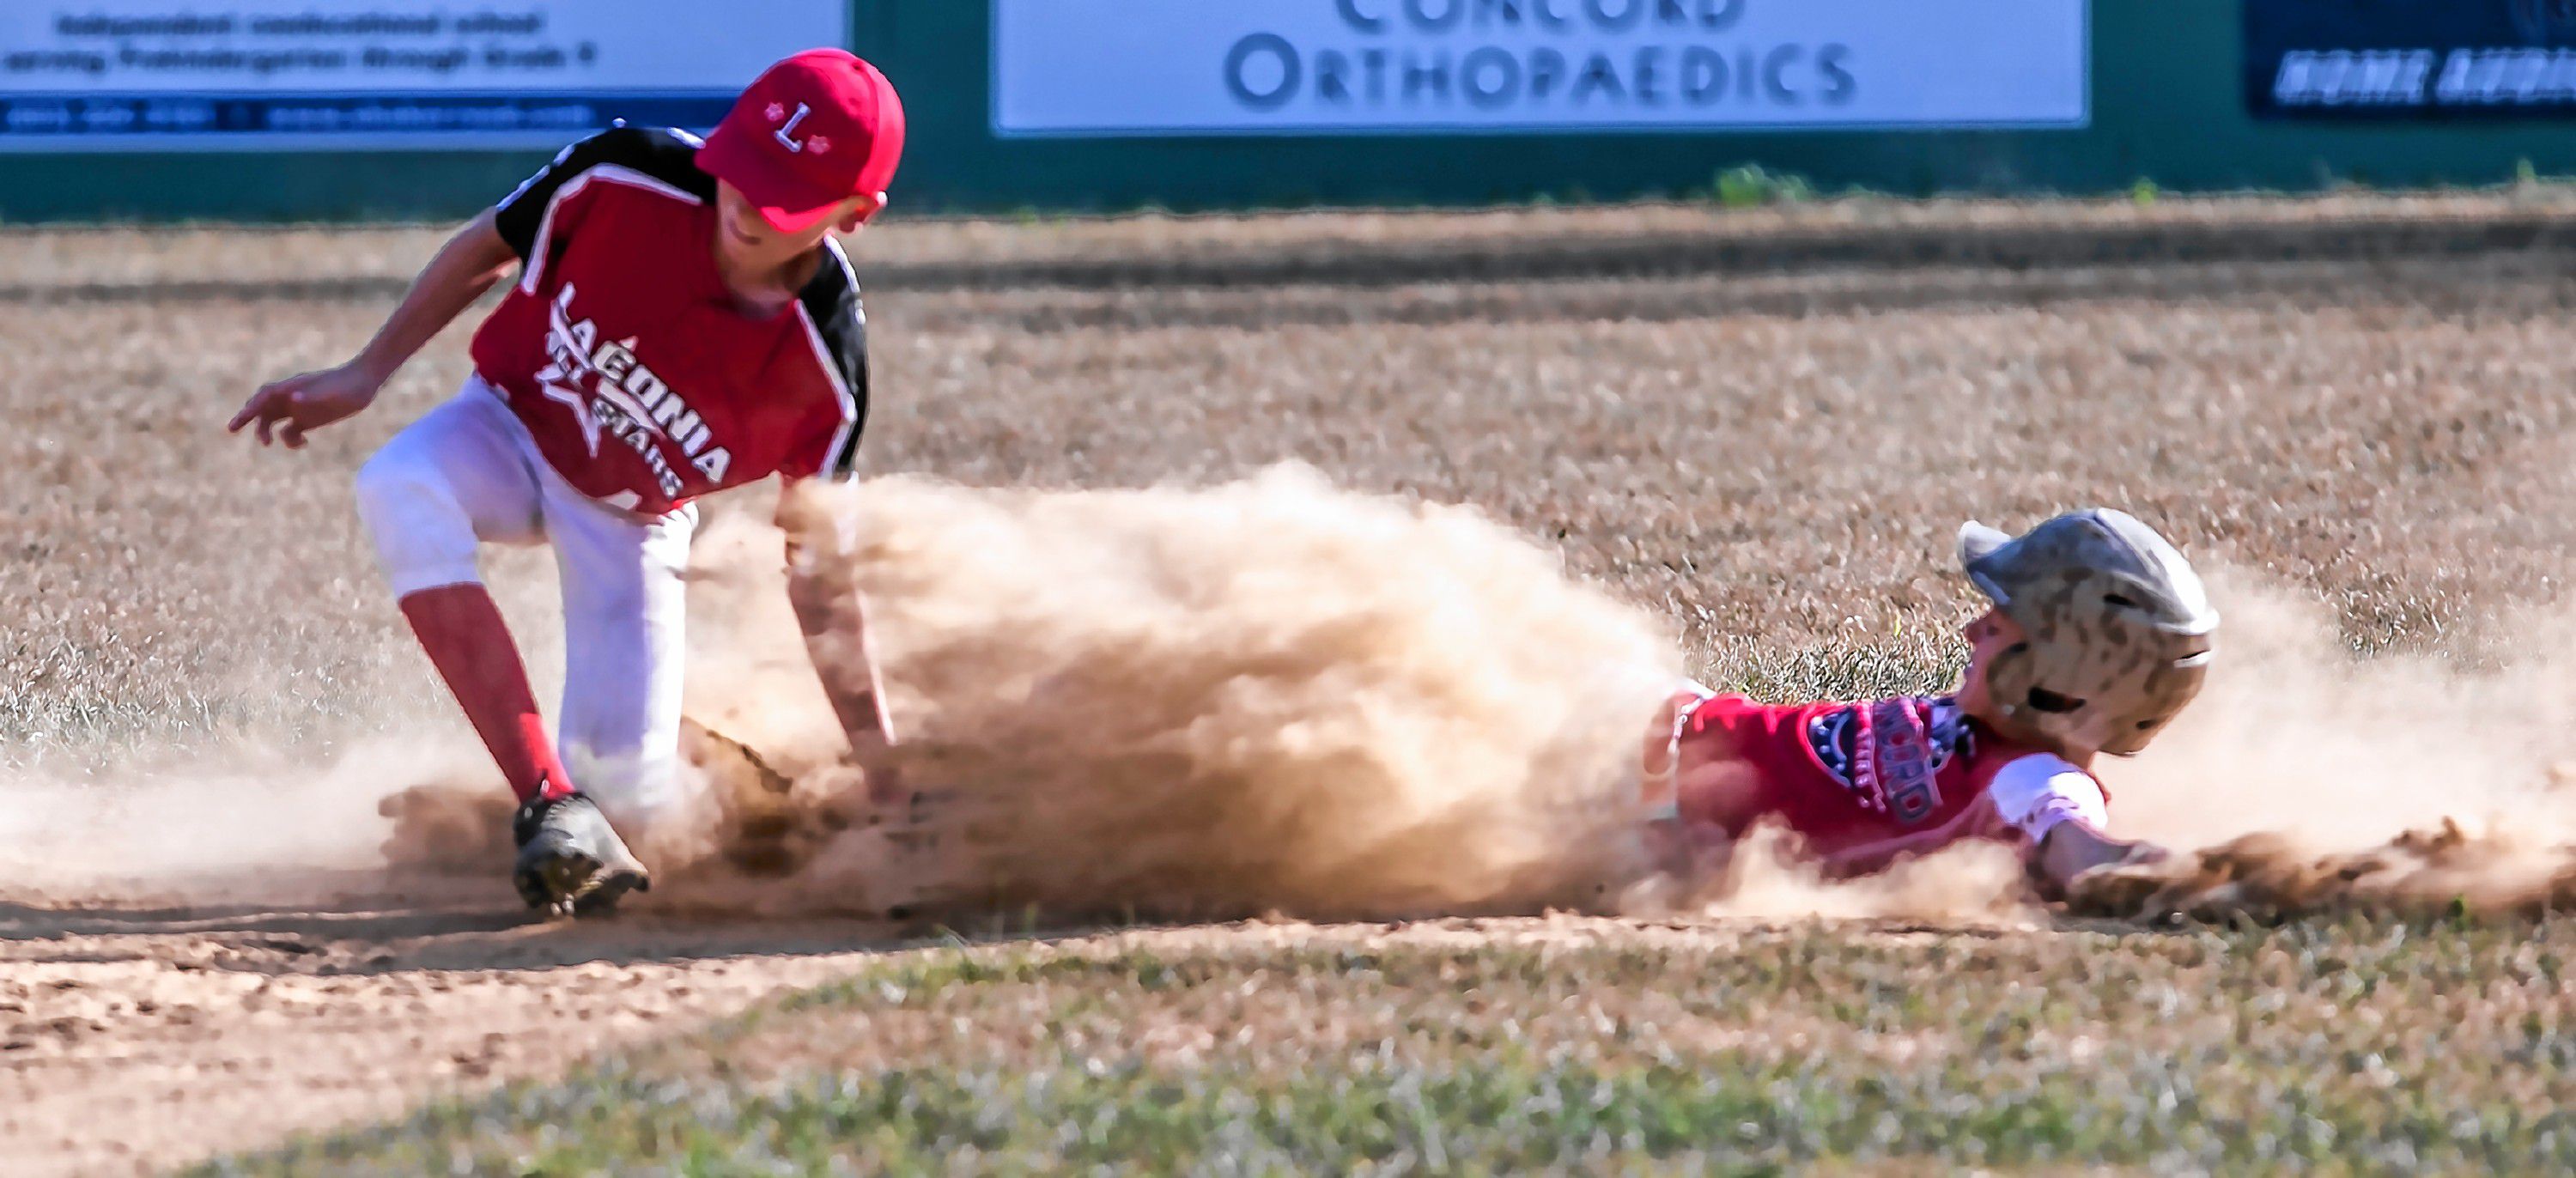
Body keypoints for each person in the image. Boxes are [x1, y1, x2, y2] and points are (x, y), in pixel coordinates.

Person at [228, 48, 908, 916]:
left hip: (633, 518)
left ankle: (723, 782)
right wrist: (367, 371)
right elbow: (488, 246)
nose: (746, 202)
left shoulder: (827, 367)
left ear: (857, 213)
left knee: (634, 812)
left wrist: (884, 770)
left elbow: (820, 577)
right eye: (745, 167)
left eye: (784, 196)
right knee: (399, 482)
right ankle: (547, 799)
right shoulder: (629, 171)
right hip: (508, 423)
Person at [1640, 508, 2218, 896]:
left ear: (2058, 679)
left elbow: (2075, 844)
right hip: (1664, 724)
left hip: (1649, 802)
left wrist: (2182, 878)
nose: (1972, 631)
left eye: (1999, 626)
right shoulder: (1992, 730)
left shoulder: (2033, 780)